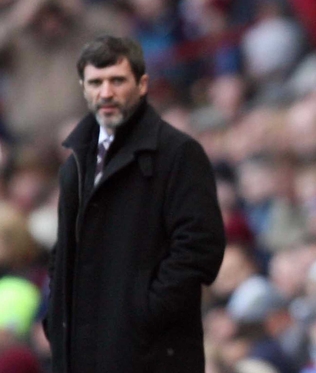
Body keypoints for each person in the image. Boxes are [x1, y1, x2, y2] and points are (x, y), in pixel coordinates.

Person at [44, 35, 226, 373]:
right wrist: (57, 317)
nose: (106, 92)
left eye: (117, 80)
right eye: (96, 82)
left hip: (151, 357)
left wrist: (143, 315)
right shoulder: (75, 163)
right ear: (83, 88)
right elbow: (63, 250)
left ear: (142, 85)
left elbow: (200, 247)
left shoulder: (178, 153)